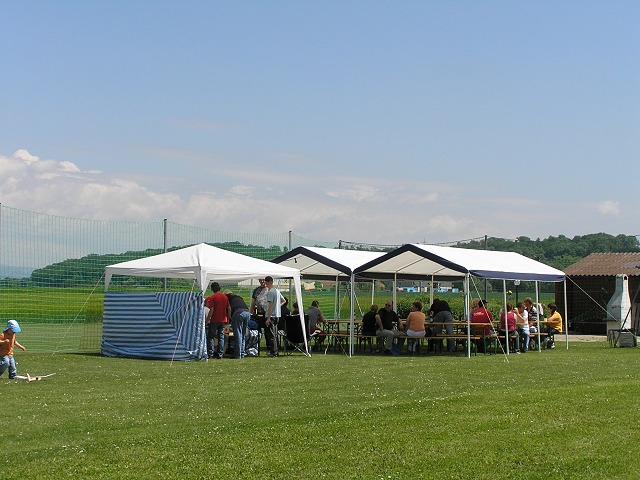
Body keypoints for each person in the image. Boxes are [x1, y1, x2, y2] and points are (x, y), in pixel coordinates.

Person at [205, 282, 231, 359]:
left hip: (214, 319)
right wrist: (228, 318)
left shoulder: (212, 297)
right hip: (223, 320)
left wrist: (207, 320)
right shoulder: (225, 297)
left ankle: (210, 353)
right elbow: (229, 308)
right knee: (221, 337)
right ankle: (220, 354)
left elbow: (212, 309)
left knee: (211, 337)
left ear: (212, 289)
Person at [225, 290, 251, 359]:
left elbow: (229, 309)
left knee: (238, 334)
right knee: (243, 334)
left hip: (238, 313)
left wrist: (228, 318)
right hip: (247, 313)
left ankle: (237, 354)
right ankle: (242, 353)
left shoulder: (227, 298)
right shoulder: (239, 297)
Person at [264, 276, 285, 357]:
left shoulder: (270, 292)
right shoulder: (277, 291)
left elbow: (270, 305)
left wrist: (268, 318)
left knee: (271, 335)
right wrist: (278, 306)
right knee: (275, 334)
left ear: (267, 282)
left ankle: (273, 352)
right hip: (277, 315)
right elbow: (284, 301)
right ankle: (276, 350)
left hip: (271, 315)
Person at [250, 278, 270, 350]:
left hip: (267, 313)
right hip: (259, 313)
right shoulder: (256, 290)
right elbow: (253, 302)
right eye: (260, 280)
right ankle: (256, 346)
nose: (262, 281)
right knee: (257, 331)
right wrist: (250, 312)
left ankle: (269, 347)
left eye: (263, 280)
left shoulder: (269, 289)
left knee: (268, 331)